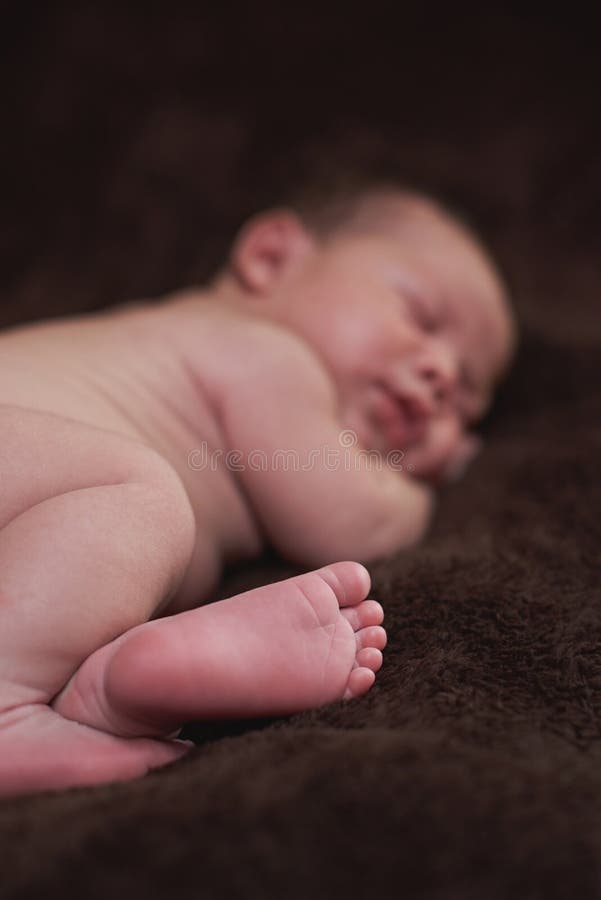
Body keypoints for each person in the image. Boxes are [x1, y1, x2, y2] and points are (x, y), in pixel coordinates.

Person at [0, 181, 516, 795]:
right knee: (141, 494)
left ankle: (104, 691)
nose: (440, 376)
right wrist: (425, 485)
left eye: (463, 400)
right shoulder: (265, 353)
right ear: (273, 259)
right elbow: (347, 518)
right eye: (419, 316)